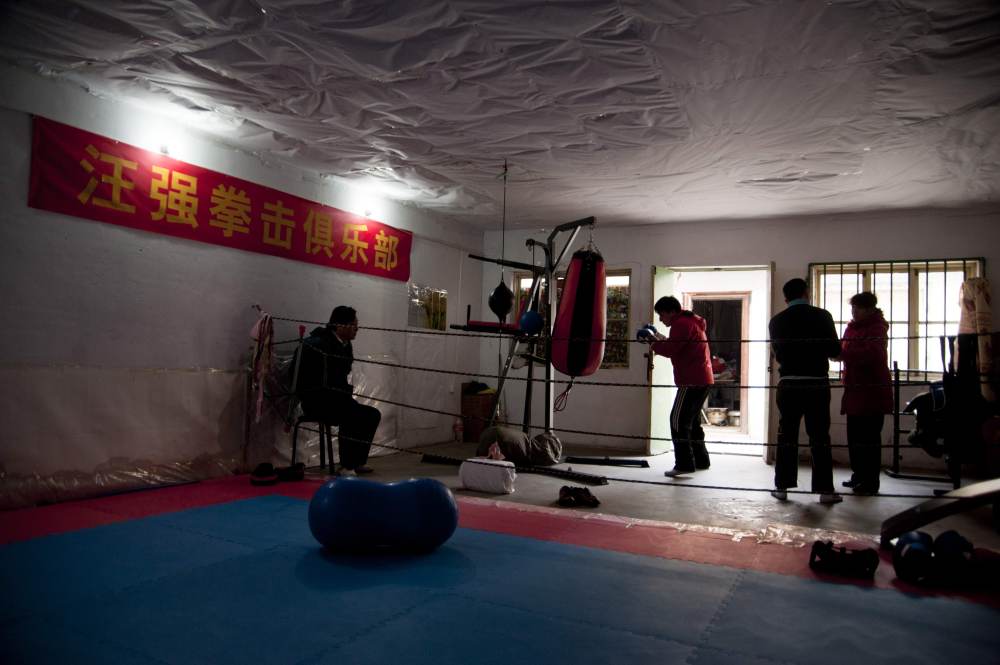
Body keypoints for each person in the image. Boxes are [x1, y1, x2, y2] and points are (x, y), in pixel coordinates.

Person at [768, 278, 842, 504]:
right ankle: (825, 491)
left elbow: (778, 353)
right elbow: (835, 351)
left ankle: (782, 487)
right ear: (806, 293)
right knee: (819, 436)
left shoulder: (776, 321)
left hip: (789, 383)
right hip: (816, 383)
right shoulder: (822, 316)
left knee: (786, 435)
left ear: (785, 297)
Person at [294, 305, 381, 476]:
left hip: (338, 398)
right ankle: (346, 466)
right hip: (317, 401)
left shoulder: (345, 345)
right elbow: (303, 378)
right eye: (354, 325)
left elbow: (342, 373)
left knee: (372, 415)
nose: (357, 329)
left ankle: (357, 462)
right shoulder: (318, 344)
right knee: (351, 415)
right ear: (340, 326)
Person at [645, 296, 714, 476]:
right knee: (692, 422)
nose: (660, 319)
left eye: (661, 315)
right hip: (703, 379)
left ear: (671, 312)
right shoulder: (690, 321)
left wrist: (650, 341)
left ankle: (684, 464)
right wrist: (657, 337)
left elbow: (670, 350)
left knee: (677, 421)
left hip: (691, 380)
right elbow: (676, 344)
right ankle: (701, 460)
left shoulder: (681, 324)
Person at [838, 292, 892, 495]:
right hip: (854, 389)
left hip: (871, 390)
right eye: (852, 308)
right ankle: (859, 476)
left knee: (869, 438)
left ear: (869, 309)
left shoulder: (877, 328)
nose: (854, 312)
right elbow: (844, 348)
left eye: (858, 308)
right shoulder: (852, 328)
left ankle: (870, 482)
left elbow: (873, 354)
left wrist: (843, 354)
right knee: (854, 437)